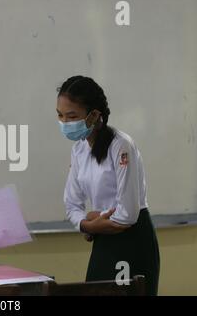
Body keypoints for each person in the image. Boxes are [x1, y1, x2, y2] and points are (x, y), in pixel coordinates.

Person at [56, 75, 160, 295]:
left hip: (132, 239)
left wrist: (94, 221)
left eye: (72, 116)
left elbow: (127, 215)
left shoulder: (121, 145)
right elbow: (71, 206)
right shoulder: (79, 150)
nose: (65, 123)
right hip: (103, 238)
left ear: (94, 115)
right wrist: (87, 224)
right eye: (60, 116)